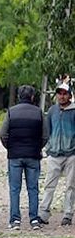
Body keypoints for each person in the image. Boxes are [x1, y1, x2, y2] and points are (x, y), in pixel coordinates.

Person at [0, 84, 48, 230]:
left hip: (15, 156)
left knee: (15, 189)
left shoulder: (11, 112)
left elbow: (3, 134)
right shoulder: (39, 113)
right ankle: (34, 219)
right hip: (33, 155)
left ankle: (15, 220)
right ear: (32, 97)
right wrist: (37, 147)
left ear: (19, 96)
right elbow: (45, 135)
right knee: (33, 188)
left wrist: (11, 147)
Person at [39, 80, 75, 226]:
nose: (61, 96)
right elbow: (47, 130)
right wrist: (48, 146)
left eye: (64, 93)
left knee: (70, 185)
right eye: (59, 93)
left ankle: (68, 214)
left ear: (70, 95)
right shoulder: (52, 110)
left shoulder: (74, 110)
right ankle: (43, 213)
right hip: (54, 153)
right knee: (49, 184)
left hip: (71, 153)